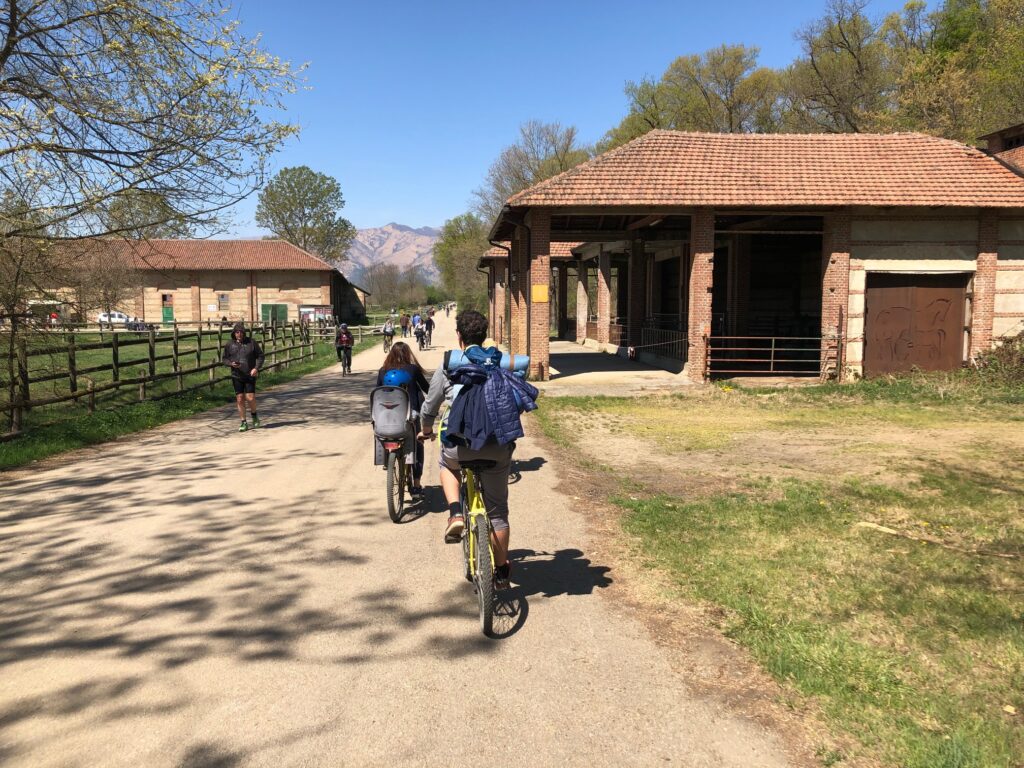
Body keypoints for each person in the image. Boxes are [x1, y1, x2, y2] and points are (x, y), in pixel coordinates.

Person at [418, 310, 538, 590]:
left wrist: (425, 428)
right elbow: (524, 372)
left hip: (459, 445)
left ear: (459, 336)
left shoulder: (449, 365)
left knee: (447, 465)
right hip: (496, 446)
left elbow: (431, 405)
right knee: (498, 513)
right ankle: (501, 572)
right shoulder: (498, 363)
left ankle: (455, 513)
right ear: (484, 337)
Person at [376, 342, 430, 495]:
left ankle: (387, 458)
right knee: (418, 444)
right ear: (407, 354)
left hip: (386, 417)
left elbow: (377, 392)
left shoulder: (382, 371)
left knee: (388, 436)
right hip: (409, 417)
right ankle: (417, 484)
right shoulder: (413, 370)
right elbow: (427, 389)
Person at [222, 322, 265, 432]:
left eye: (241, 332)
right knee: (240, 399)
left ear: (244, 333)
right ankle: (243, 422)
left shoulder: (251, 343)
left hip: (249, 374)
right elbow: (224, 359)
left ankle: (254, 416)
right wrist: (231, 364)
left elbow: (260, 356)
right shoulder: (229, 344)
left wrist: (256, 368)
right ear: (234, 333)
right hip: (236, 375)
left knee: (250, 397)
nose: (239, 334)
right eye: (237, 332)